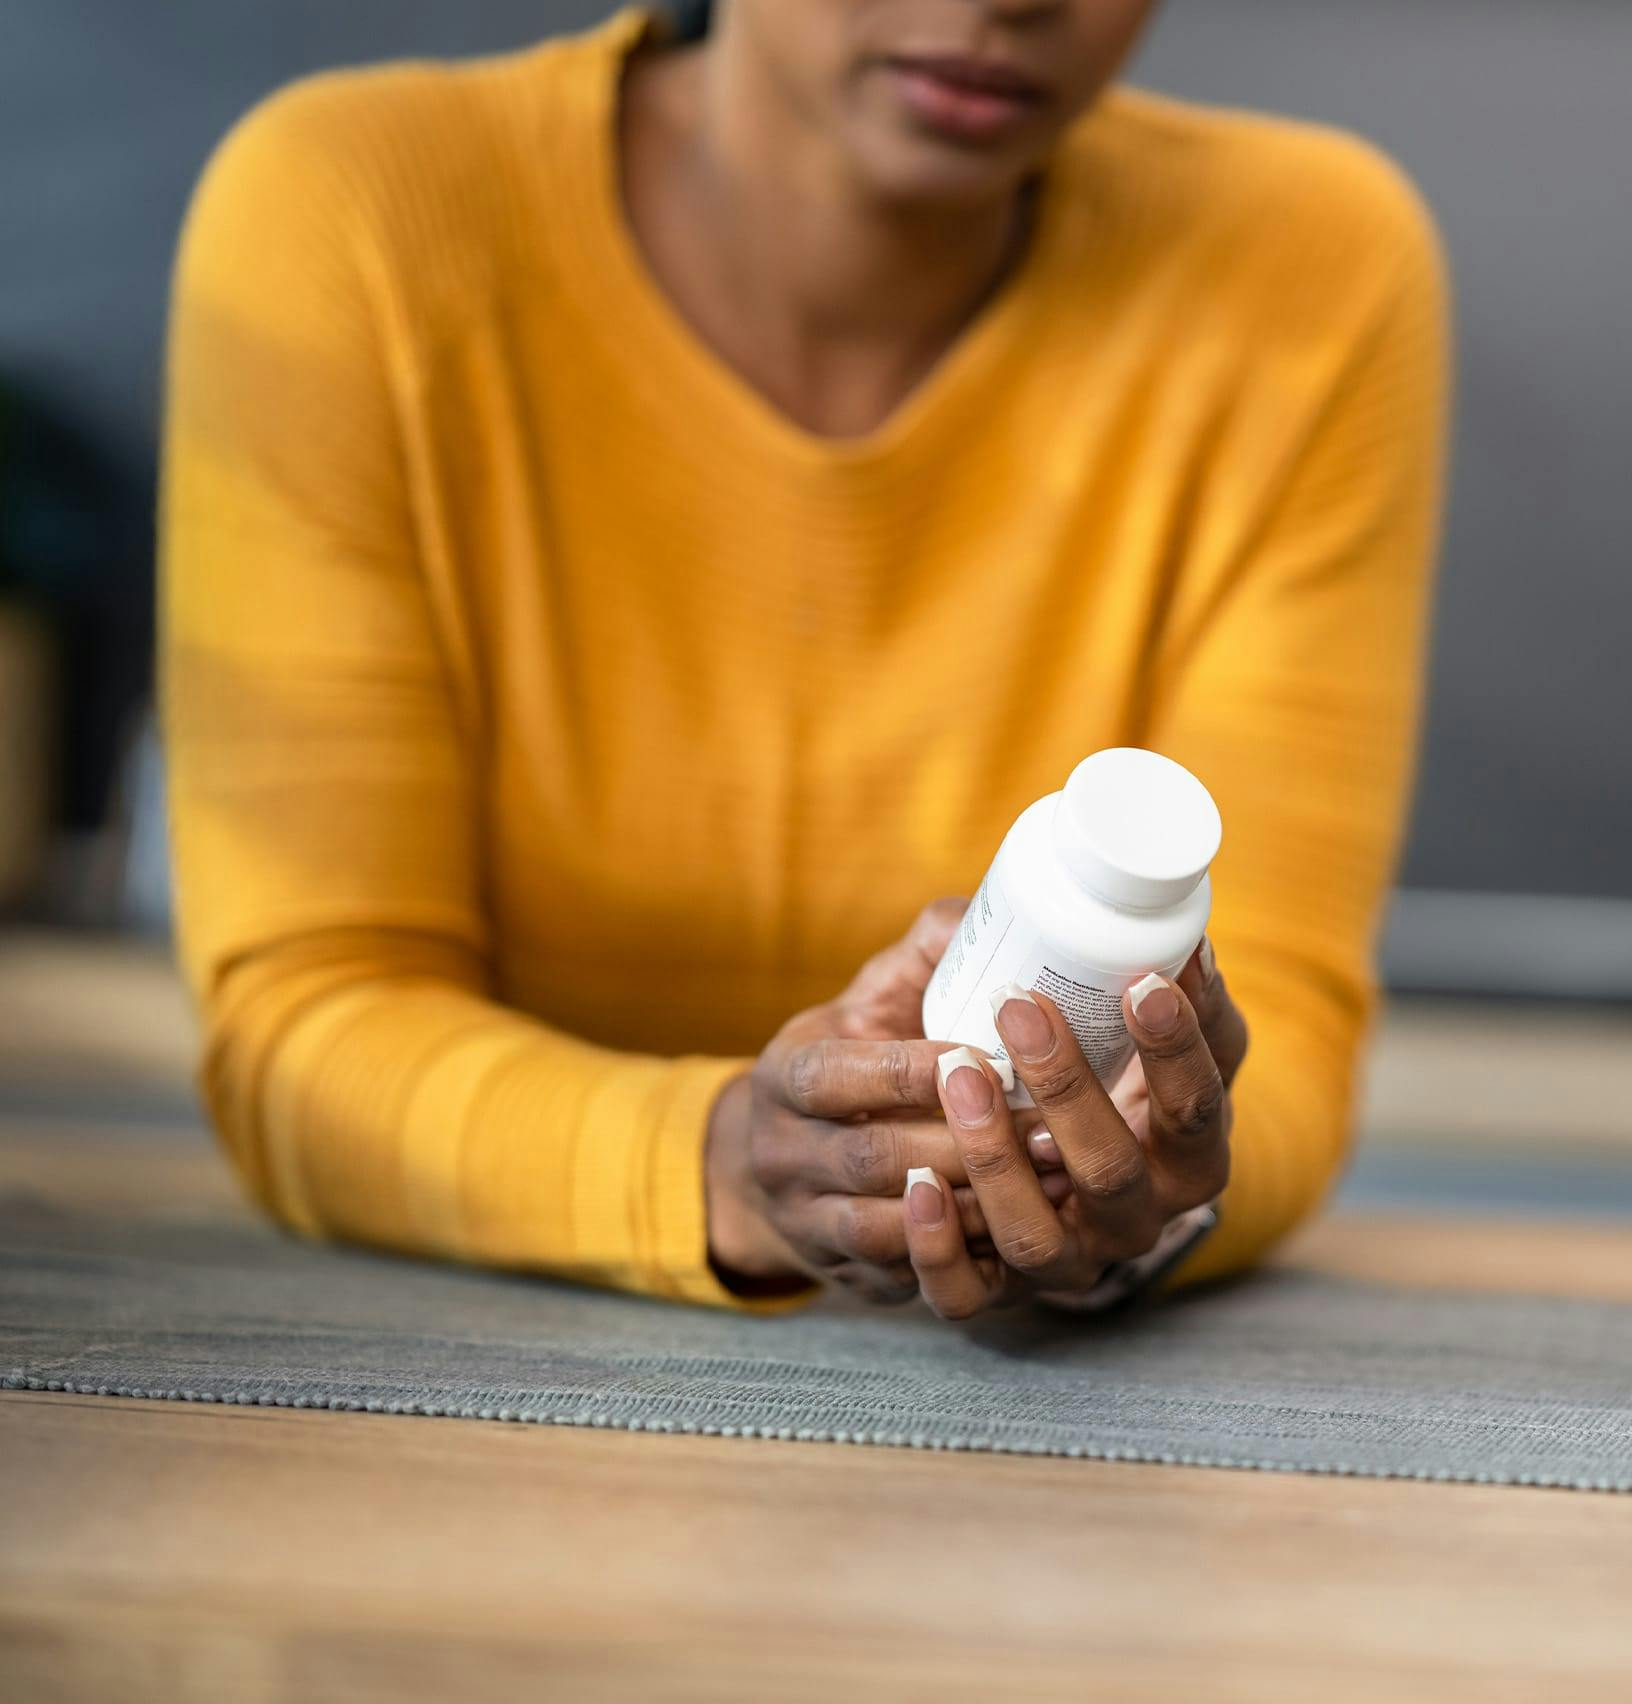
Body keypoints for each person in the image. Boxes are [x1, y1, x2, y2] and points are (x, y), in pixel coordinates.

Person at [160, 0, 1448, 1320]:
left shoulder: (1306, 271)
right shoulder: (357, 217)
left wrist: (1141, 1195)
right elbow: (306, 1029)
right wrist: (724, 1163)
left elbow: (1276, 1034)